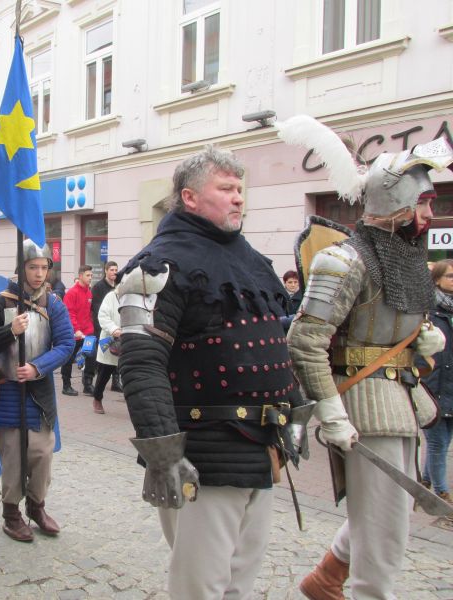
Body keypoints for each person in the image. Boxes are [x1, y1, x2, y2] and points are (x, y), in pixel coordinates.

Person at [117, 146, 305, 598]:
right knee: (200, 587)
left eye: (240, 188)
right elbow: (142, 363)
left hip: (262, 446)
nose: (238, 197)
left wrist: (295, 414)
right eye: (226, 188)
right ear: (190, 197)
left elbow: (274, 343)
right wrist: (164, 455)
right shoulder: (156, 265)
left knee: (240, 581)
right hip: (203, 454)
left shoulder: (251, 260)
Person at [279, 116, 447, 599]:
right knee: (385, 531)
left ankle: (327, 578)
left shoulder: (407, 260)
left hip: (403, 401)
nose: (430, 213)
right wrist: (330, 412)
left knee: (385, 513)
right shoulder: (343, 260)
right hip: (363, 406)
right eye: (423, 202)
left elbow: (395, 324)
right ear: (396, 203)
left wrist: (423, 340)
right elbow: (304, 341)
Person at [0, 241, 75, 542]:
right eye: (33, 267)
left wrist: (37, 367)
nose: (39, 273)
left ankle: (36, 505)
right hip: (7, 392)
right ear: (21, 269)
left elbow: (65, 345)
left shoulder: (53, 304)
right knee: (13, 456)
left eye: (44, 267)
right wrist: (9, 331)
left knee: (42, 452)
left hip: (38, 392)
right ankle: (11, 513)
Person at [420, 260, 453, 512]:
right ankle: (441, 494)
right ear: (437, 279)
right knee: (437, 443)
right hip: (433, 386)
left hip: (451, 386)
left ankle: (425, 481)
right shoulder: (426, 311)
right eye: (450, 276)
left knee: (443, 442)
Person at [61, 265, 94, 396]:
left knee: (90, 357)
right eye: (88, 275)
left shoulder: (89, 292)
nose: (90, 278)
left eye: (91, 275)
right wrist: (77, 330)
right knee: (69, 359)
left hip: (87, 333)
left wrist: (90, 329)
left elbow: (88, 313)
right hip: (74, 333)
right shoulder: (72, 293)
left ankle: (88, 384)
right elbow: (70, 313)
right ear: (80, 276)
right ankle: (66, 385)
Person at [90, 261, 122, 393]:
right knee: (104, 365)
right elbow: (98, 311)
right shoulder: (99, 287)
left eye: (116, 270)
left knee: (117, 360)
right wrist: (110, 328)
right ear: (106, 271)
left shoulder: (121, 291)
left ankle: (116, 382)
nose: (114, 272)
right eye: (112, 270)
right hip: (104, 330)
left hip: (119, 334)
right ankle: (96, 392)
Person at [91, 289, 121, 414]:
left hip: (128, 340)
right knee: (104, 372)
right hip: (110, 340)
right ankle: (97, 398)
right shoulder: (111, 296)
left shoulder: (134, 297)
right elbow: (103, 316)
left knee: (130, 373)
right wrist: (114, 329)